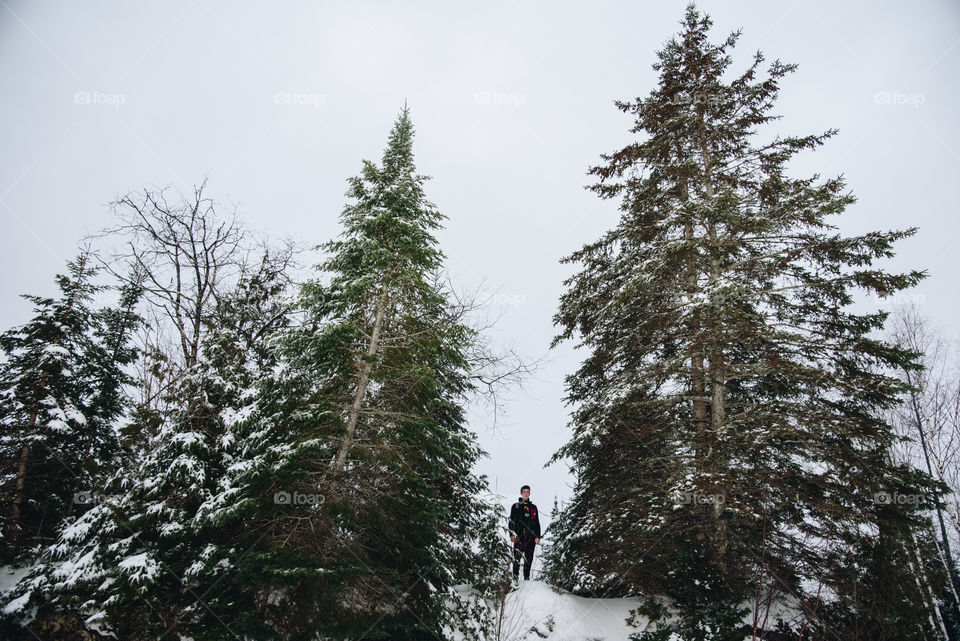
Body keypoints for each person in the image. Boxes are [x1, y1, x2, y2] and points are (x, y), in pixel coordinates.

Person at [508, 484, 541, 581]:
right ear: (521, 493)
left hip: (531, 536)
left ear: (529, 493)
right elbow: (511, 521)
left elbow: (537, 523)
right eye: (524, 492)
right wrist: (511, 534)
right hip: (519, 535)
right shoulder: (516, 506)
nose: (526, 494)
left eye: (527, 492)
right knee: (517, 556)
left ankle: (527, 578)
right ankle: (515, 578)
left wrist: (537, 536)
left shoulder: (533, 507)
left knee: (529, 558)